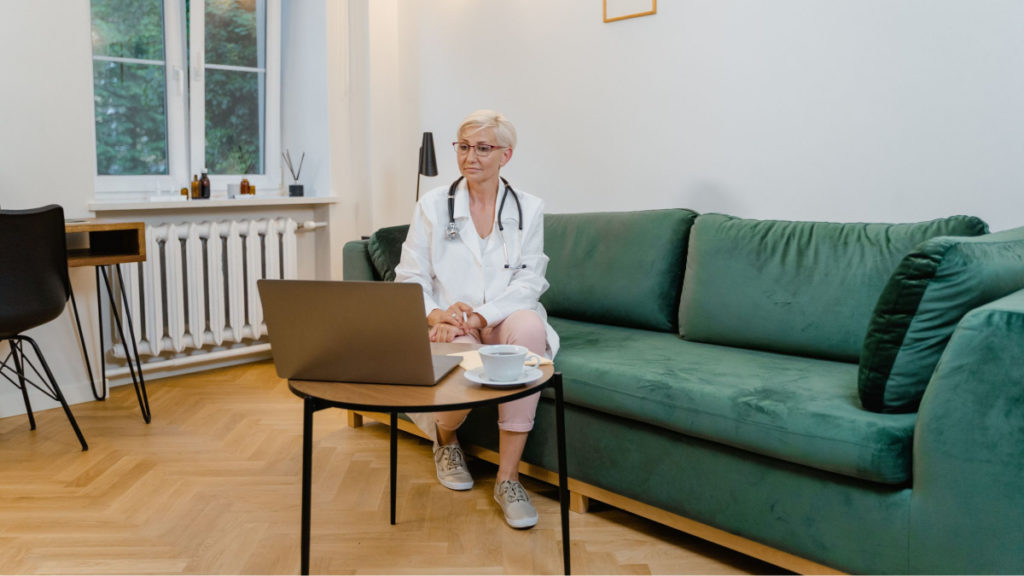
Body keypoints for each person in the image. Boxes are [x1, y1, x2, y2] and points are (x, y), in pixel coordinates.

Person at [394, 109, 559, 529]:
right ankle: (445, 437)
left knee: (529, 330)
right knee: (460, 362)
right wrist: (437, 314)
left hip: (500, 315)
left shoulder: (529, 208)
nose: (471, 157)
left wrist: (481, 316)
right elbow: (410, 276)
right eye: (464, 147)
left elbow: (529, 281)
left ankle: (508, 478)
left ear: (505, 155)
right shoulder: (432, 205)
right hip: (450, 321)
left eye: (483, 148)